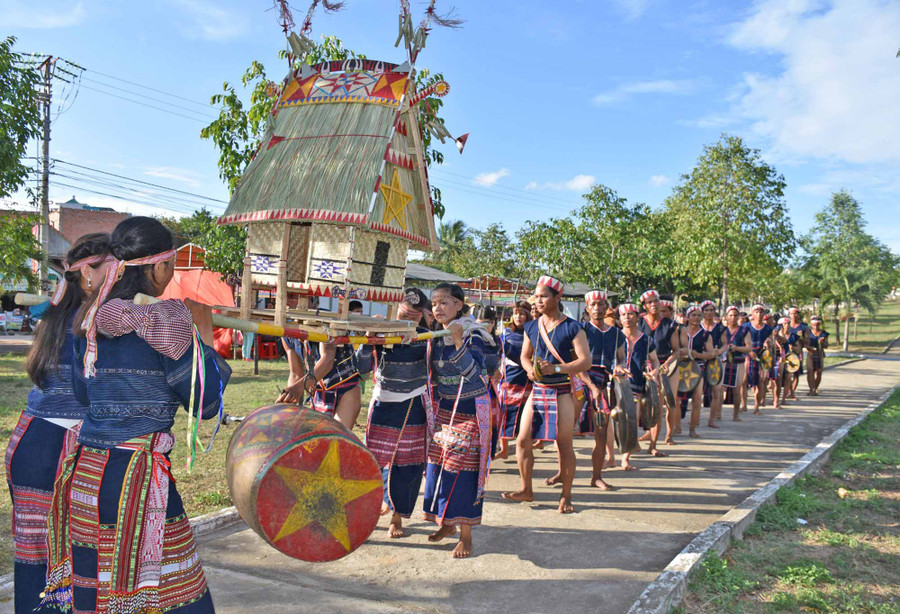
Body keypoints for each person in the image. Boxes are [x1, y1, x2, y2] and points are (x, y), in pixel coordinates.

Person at [42, 217, 230, 613]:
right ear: (158, 267)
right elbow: (205, 404)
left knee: (95, 595)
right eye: (173, 265)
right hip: (137, 484)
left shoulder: (90, 321)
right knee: (182, 601)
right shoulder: (169, 326)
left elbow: (82, 394)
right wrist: (206, 337)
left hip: (86, 476)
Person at [6, 234, 110, 614]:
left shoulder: (54, 315)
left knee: (37, 560)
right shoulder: (95, 320)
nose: (118, 278)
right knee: (68, 564)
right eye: (112, 269)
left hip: (31, 442)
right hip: (60, 451)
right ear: (87, 276)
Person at [501, 276, 591, 514]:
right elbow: (524, 356)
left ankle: (566, 495)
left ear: (557, 298)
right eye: (536, 297)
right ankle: (526, 488)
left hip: (562, 391)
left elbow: (585, 361)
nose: (538, 301)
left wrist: (557, 369)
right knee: (521, 440)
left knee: (563, 444)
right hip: (538, 390)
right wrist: (530, 370)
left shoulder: (573, 327)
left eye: (543, 296)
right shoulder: (532, 326)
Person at [424, 284, 493, 559]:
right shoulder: (435, 336)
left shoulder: (474, 336)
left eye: (445, 302)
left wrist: (457, 342)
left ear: (460, 306)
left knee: (463, 474)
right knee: (438, 471)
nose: (438, 308)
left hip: (471, 413)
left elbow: (477, 379)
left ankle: (466, 536)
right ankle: (446, 523)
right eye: (435, 303)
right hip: (445, 411)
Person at [357, 288, 432, 538]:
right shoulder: (381, 330)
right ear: (395, 309)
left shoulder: (427, 336)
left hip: (413, 403)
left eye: (414, 316)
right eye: (404, 314)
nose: (409, 321)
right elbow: (362, 367)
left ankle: (397, 517)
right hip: (383, 403)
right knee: (372, 462)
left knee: (407, 464)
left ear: (422, 316)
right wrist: (369, 338)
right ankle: (365, 516)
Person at [278, 300, 364, 430]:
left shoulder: (325, 321)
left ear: (311, 300)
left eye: (292, 296)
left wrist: (298, 388)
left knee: (337, 439)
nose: (289, 302)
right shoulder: (287, 333)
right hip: (319, 391)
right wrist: (287, 400)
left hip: (346, 388)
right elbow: (295, 374)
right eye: (288, 296)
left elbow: (327, 361)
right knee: (319, 441)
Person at [577, 290, 625, 488]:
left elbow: (620, 358)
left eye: (600, 304)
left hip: (602, 384)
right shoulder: (580, 330)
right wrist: (589, 384)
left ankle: (596, 476)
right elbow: (576, 362)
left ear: (606, 307)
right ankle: (562, 473)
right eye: (593, 304)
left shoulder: (616, 334)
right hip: (580, 381)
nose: (597, 308)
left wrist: (619, 368)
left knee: (601, 433)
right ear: (587, 308)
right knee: (563, 431)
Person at [618, 302, 661, 469]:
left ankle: (625, 458)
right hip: (615, 384)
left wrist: (655, 372)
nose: (627, 318)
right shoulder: (615, 337)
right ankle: (610, 455)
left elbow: (655, 361)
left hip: (636, 385)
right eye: (623, 315)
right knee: (613, 422)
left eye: (631, 314)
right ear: (619, 318)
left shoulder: (646, 339)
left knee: (631, 421)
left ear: (637, 317)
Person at [638, 289, 681, 445]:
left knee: (668, 402)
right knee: (649, 403)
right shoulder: (639, 322)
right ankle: (650, 434)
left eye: (656, 301)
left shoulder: (670, 325)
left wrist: (664, 366)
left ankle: (668, 435)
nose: (654, 304)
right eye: (649, 302)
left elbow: (676, 351)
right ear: (644, 306)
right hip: (645, 366)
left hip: (666, 366)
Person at [497, 301, 533, 459]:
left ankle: (524, 448)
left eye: (522, 313)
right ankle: (504, 450)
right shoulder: (505, 333)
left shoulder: (533, 332)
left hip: (526, 378)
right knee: (504, 412)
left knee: (525, 415)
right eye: (516, 313)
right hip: (509, 377)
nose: (518, 317)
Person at [680, 305, 714, 438]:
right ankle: (676, 427)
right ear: (688, 317)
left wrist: (697, 355)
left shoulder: (706, 335)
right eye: (693, 315)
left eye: (699, 315)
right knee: (677, 400)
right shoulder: (680, 331)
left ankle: (692, 429)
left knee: (697, 398)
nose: (696, 317)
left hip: (698, 367)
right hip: (681, 366)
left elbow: (711, 354)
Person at [699, 300, 728, 428]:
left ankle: (712, 419)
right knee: (698, 391)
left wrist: (718, 352)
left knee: (717, 390)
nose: (709, 312)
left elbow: (725, 344)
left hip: (717, 362)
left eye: (711, 310)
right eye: (706, 310)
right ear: (702, 312)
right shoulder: (697, 326)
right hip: (700, 361)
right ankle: (696, 417)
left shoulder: (721, 328)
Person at [722, 306, 752, 421]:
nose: (733, 318)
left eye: (735, 315)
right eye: (730, 315)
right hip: (724, 361)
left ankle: (735, 415)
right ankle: (717, 414)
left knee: (737, 388)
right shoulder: (722, 330)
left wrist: (737, 348)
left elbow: (749, 348)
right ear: (726, 317)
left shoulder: (744, 330)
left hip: (739, 362)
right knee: (720, 389)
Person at [745, 304, 775, 414]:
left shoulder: (768, 329)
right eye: (756, 312)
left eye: (761, 312)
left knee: (761, 381)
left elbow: (772, 341)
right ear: (752, 314)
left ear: (764, 314)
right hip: (748, 355)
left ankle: (756, 407)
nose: (758, 314)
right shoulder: (746, 327)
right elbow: (742, 341)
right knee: (744, 381)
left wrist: (768, 342)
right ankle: (743, 404)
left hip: (763, 357)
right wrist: (749, 351)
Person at [773, 317, 799, 410]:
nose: (787, 325)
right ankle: (775, 399)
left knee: (788, 377)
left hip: (786, 358)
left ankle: (782, 399)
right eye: (785, 324)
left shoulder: (792, 335)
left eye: (788, 323)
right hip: (776, 357)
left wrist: (794, 349)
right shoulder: (774, 332)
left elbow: (798, 348)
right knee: (777, 378)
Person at [788, 307, 809, 400]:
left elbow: (808, 341)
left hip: (798, 352)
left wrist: (801, 338)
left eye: (795, 313)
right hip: (787, 352)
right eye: (791, 313)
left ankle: (792, 391)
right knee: (787, 372)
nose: (793, 315)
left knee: (796, 373)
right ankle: (788, 391)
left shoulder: (804, 327)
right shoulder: (785, 325)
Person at [806, 315, 829, 395]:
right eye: (814, 325)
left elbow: (826, 345)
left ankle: (815, 388)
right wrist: (809, 347)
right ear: (811, 324)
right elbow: (804, 342)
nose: (816, 327)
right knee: (810, 371)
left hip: (819, 353)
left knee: (819, 372)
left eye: (817, 325)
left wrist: (822, 342)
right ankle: (811, 389)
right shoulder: (807, 332)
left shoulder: (824, 333)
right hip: (810, 353)